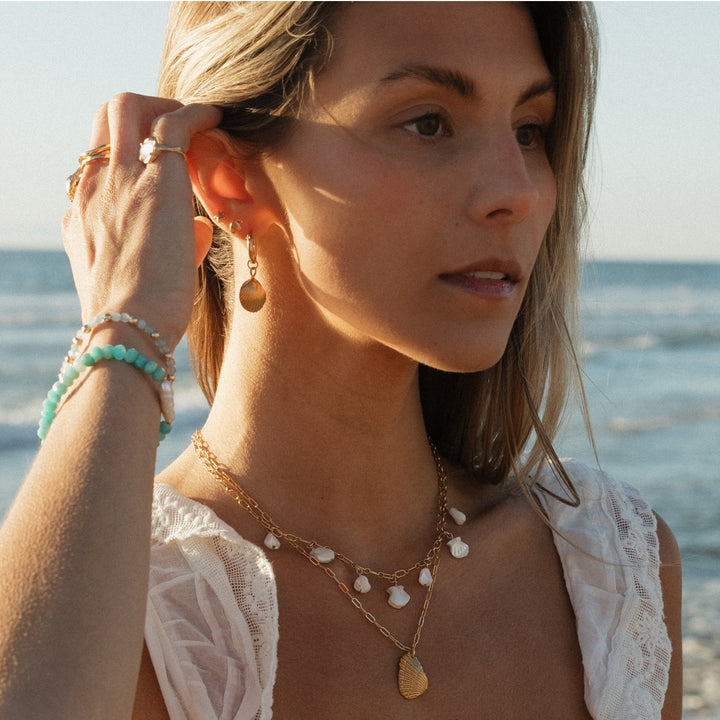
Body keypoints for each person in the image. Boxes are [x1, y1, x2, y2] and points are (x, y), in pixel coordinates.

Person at [0, 2, 682, 718]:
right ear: (230, 180)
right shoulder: (127, 608)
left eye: (529, 130)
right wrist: (125, 324)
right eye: (428, 123)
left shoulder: (608, 574)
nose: (517, 190)